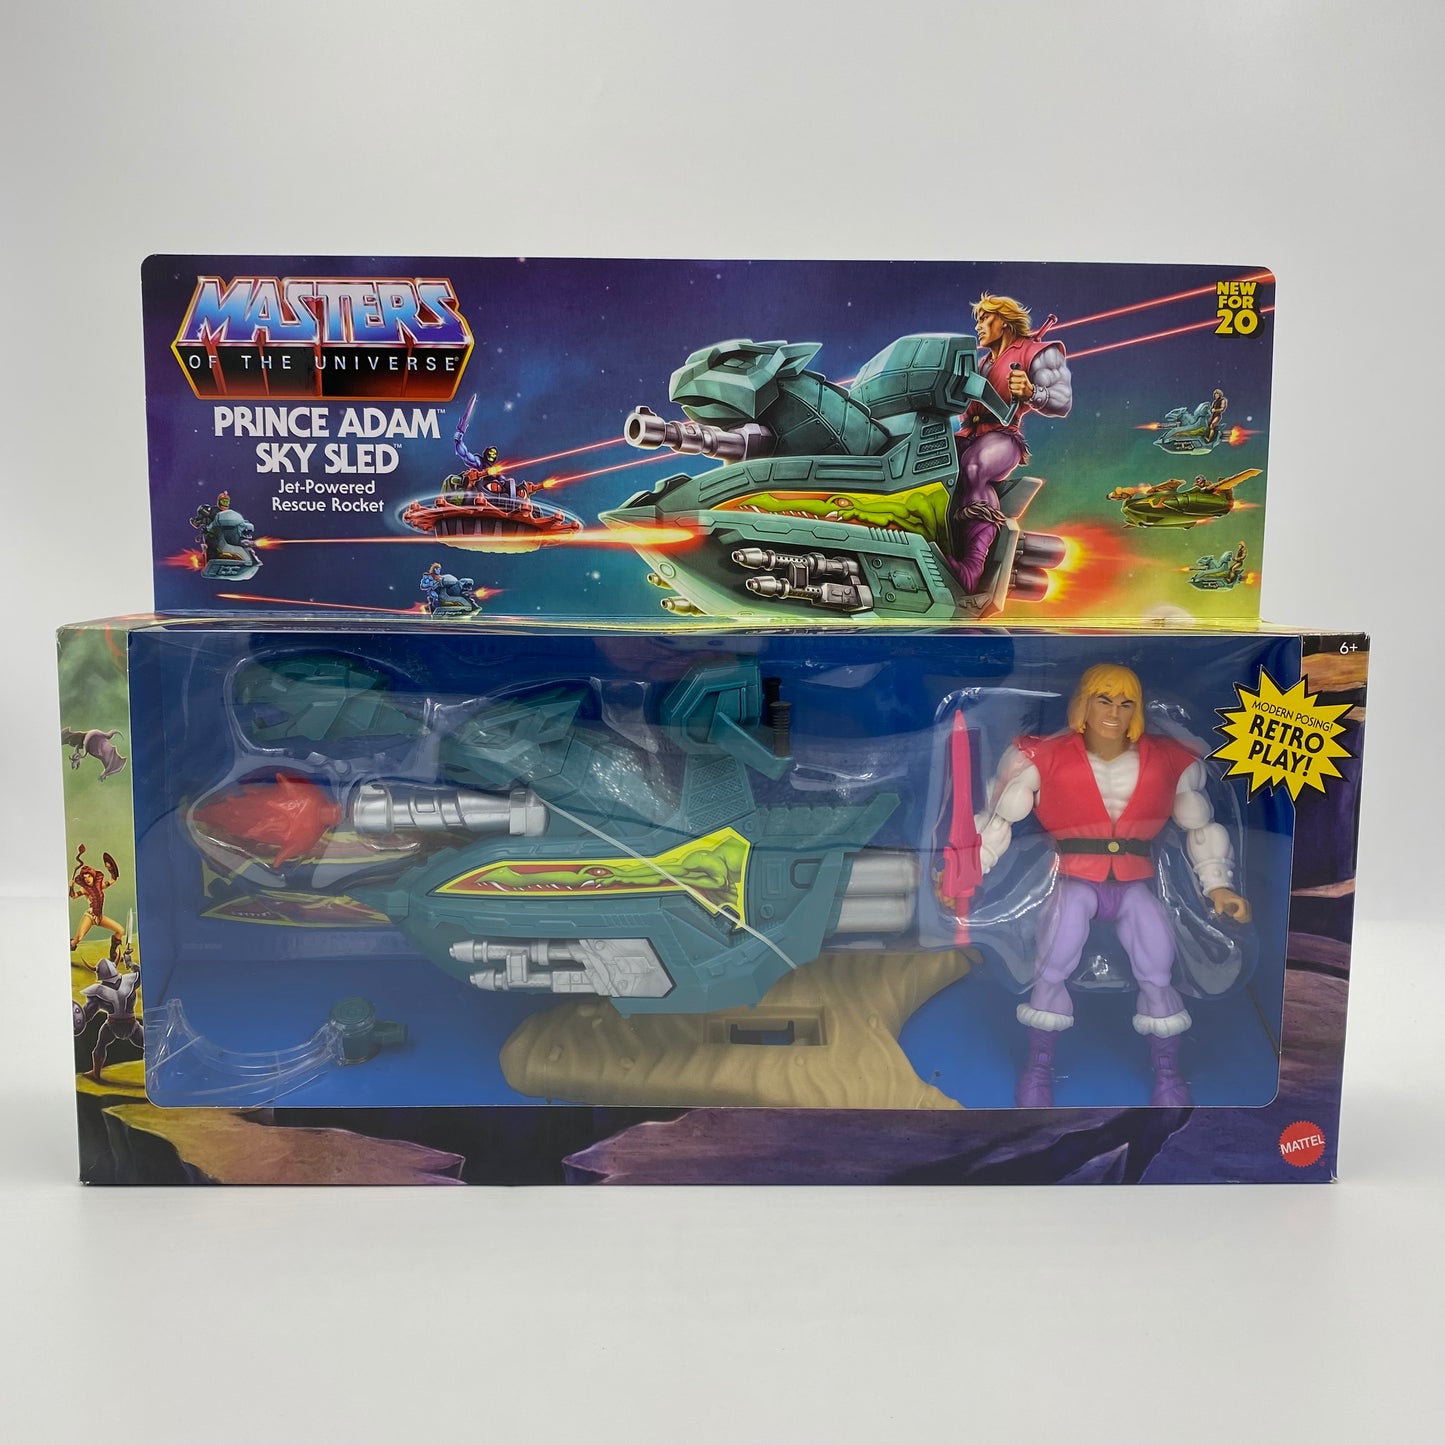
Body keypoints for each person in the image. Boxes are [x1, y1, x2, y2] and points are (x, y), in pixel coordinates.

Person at [975, 664, 1250, 1106]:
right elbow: (997, 821)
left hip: (1134, 885)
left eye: (1126, 703)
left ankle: (1168, 1073)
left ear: (1137, 710)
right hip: (1074, 881)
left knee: (1158, 968)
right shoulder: (1041, 756)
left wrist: (1218, 886)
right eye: (1104, 700)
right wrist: (970, 871)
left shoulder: (1170, 759)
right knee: (1053, 963)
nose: (1114, 712)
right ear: (1083, 704)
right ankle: (1039, 1068)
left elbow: (1200, 827)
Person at [950, 294, 1072, 592]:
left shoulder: (1038, 352)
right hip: (967, 436)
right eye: (977, 320)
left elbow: (1063, 400)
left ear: (1004, 321)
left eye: (984, 318)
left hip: (1003, 437)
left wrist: (1032, 392)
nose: (978, 326)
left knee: (975, 467)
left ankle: (972, 568)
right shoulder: (981, 364)